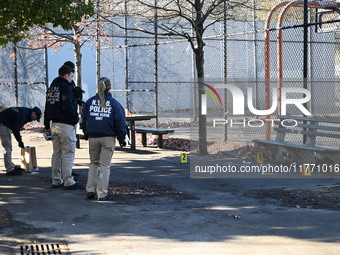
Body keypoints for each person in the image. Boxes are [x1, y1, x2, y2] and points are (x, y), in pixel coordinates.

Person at [81, 77, 127, 201]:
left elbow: (83, 120)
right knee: (105, 165)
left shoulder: (89, 102)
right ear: (110, 87)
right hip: (108, 137)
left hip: (93, 137)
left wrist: (86, 133)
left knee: (93, 164)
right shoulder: (114, 103)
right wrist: (122, 139)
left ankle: (90, 189)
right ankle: (102, 193)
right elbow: (120, 122)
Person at [44, 65, 82, 190]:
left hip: (54, 124)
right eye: (71, 76)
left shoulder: (52, 88)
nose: (72, 78)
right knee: (68, 153)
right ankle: (68, 180)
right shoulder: (65, 87)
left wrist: (46, 123)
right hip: (66, 124)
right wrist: (75, 117)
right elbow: (68, 105)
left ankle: (56, 179)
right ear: (66, 75)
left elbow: (47, 106)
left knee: (57, 153)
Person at [0, 106, 42, 176]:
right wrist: (20, 141)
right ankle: (10, 169)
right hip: (2, 124)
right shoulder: (23, 114)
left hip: (5, 123)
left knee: (8, 146)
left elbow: (16, 126)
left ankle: (10, 165)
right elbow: (15, 128)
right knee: (7, 146)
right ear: (34, 113)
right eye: (36, 117)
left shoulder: (26, 113)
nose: (34, 120)